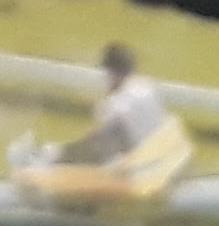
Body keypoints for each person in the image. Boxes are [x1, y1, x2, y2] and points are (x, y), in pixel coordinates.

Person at [10, 42, 192, 203]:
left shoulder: (119, 102)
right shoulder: (146, 86)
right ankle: (46, 156)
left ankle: (42, 160)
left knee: (89, 153)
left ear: (114, 72)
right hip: (159, 160)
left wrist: (65, 154)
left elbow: (106, 141)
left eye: (106, 73)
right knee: (92, 151)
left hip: (143, 174)